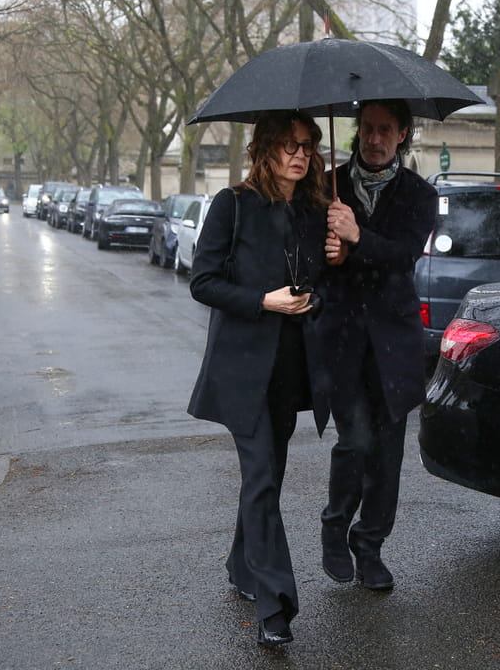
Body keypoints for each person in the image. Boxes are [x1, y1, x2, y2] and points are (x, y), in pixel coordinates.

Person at [187, 109, 330, 647]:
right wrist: (260, 301)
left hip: (291, 370)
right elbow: (203, 281)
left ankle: (240, 565)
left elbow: (320, 286)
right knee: (263, 476)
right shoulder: (233, 206)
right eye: (290, 145)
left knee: (265, 477)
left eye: (308, 146)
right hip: (242, 369)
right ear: (265, 149)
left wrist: (327, 268)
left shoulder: (314, 211)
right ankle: (276, 605)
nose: (300, 154)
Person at [317, 98, 437, 591]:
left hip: (394, 344)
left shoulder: (419, 195)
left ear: (402, 134)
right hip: (342, 339)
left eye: (385, 130)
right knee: (355, 441)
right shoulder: (327, 186)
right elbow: (310, 253)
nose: (374, 138)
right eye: (367, 128)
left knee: (388, 455)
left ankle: (369, 547)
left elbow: (402, 255)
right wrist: (328, 253)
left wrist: (355, 235)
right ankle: (335, 525)